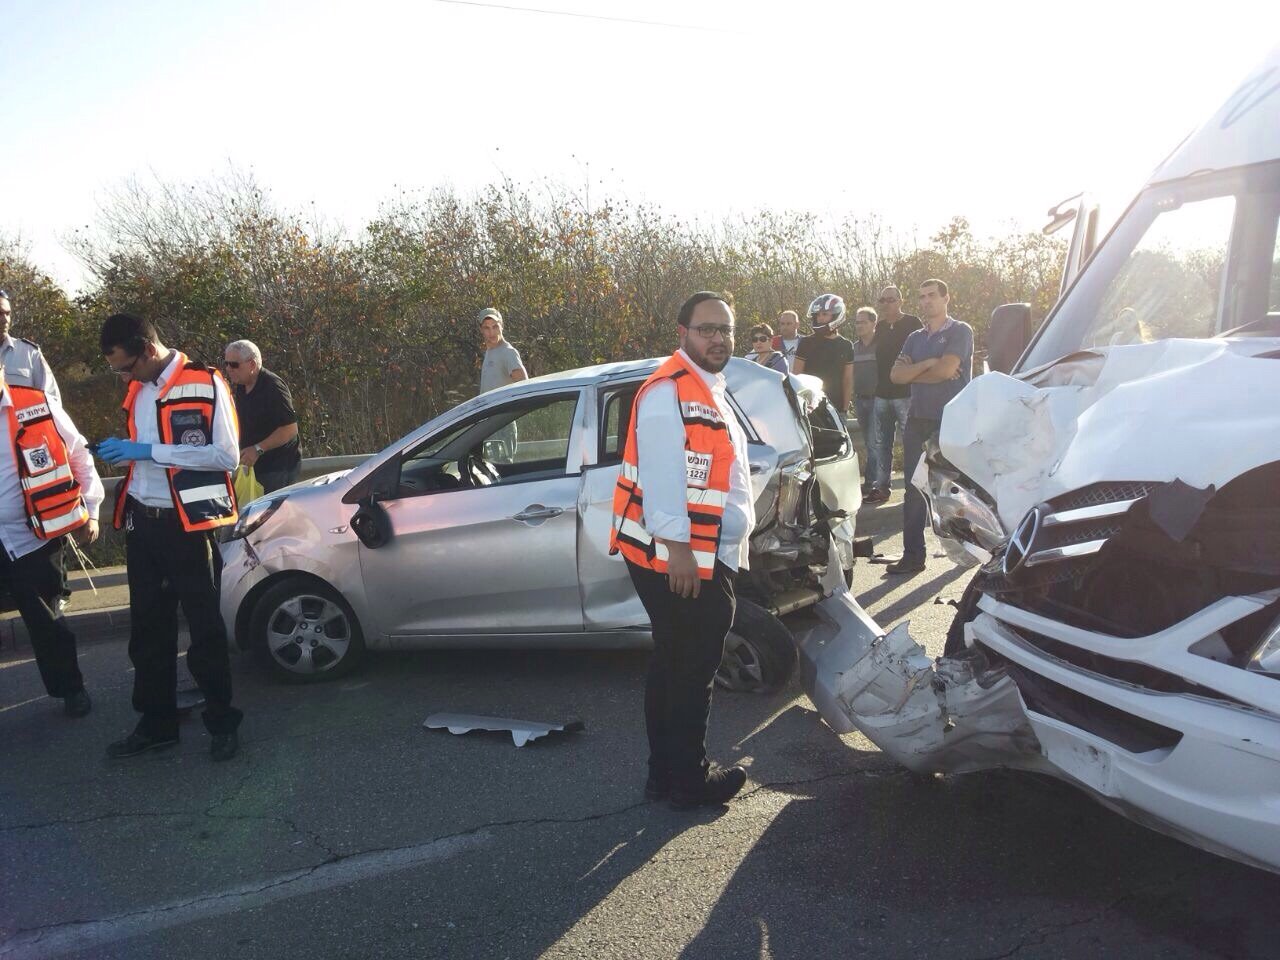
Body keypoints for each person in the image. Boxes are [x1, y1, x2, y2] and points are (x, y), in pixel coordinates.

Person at [609, 291, 754, 809]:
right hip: (683, 557)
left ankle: (664, 776)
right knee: (692, 669)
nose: (718, 338)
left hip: (698, 551)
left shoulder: (707, 386)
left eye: (725, 329)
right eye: (706, 329)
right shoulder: (667, 390)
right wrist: (680, 553)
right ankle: (690, 780)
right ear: (683, 333)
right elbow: (663, 478)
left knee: (674, 663)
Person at [96, 313, 244, 761]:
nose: (124, 377)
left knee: (205, 630)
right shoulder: (138, 390)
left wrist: (149, 451)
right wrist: (127, 455)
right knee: (147, 632)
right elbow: (149, 452)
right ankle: (157, 725)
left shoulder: (206, 381)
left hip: (188, 526)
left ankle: (222, 722)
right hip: (143, 522)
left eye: (126, 367)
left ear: (147, 349)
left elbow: (226, 457)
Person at [0, 366, 103, 716]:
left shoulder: (37, 404)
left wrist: (91, 510)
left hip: (31, 538)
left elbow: (79, 454)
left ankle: (71, 689)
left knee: (48, 622)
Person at [887, 280, 973, 575]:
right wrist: (929, 364)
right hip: (917, 420)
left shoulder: (960, 331)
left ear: (946, 298)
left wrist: (915, 370)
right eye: (921, 296)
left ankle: (968, 552)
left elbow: (947, 371)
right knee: (914, 490)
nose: (926, 301)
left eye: (932, 295)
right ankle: (913, 556)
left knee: (954, 490)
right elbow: (895, 377)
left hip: (950, 420)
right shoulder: (914, 337)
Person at [223, 339, 301, 494]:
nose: (228, 369)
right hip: (256, 467)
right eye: (226, 363)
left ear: (252, 364)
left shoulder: (273, 386)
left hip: (278, 468)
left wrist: (258, 449)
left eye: (234, 365)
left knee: (272, 510)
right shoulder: (242, 385)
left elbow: (290, 429)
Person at [868, 286, 921, 503]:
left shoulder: (912, 323)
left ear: (900, 300)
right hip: (882, 394)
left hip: (906, 394)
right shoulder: (879, 327)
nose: (886, 303)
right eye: (883, 300)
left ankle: (914, 488)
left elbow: (921, 351)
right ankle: (881, 487)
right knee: (882, 444)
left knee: (911, 444)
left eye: (891, 299)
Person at [792, 294, 854, 416]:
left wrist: (845, 409)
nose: (820, 318)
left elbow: (847, 380)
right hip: (809, 406)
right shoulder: (806, 342)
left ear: (836, 315)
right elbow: (797, 376)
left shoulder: (846, 345)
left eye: (825, 314)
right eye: (818, 314)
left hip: (835, 406)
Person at [0, 288, 62, 401]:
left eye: (8, 314)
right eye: (0, 314)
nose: (5, 320)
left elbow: (52, 400)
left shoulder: (30, 354)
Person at [850, 307, 880, 496]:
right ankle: (874, 481)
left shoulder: (882, 345)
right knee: (870, 442)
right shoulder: (853, 348)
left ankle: (872, 482)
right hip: (860, 400)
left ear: (873, 323)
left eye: (863, 322)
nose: (859, 326)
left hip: (879, 400)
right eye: (857, 322)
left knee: (874, 442)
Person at [477, 307, 528, 394]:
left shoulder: (508, 352)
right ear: (481, 329)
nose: (491, 332)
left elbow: (525, 388)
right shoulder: (490, 352)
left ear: (502, 326)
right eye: (486, 328)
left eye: (495, 326)